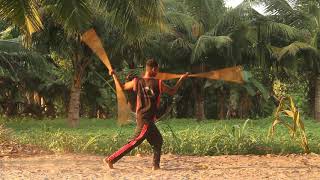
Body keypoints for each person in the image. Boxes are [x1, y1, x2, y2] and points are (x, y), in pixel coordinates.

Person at [104, 59, 189, 170]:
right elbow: (172, 91)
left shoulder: (137, 81)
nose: (157, 72)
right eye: (157, 70)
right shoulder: (158, 83)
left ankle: (156, 166)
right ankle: (111, 159)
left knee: (158, 141)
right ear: (153, 69)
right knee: (134, 142)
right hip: (145, 119)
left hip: (147, 119)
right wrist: (181, 79)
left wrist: (114, 75)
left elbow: (122, 87)